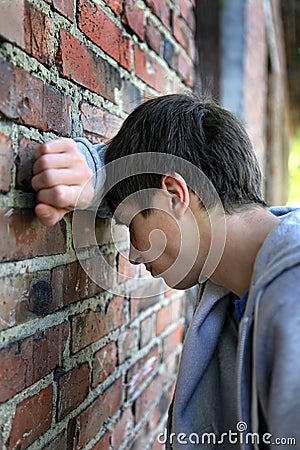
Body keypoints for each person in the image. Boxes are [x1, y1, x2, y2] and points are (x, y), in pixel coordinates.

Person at [32, 94, 300, 449]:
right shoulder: (242, 287)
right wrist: (97, 169)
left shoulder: (291, 293)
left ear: (174, 195)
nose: (135, 255)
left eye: (129, 224)